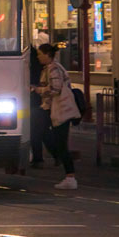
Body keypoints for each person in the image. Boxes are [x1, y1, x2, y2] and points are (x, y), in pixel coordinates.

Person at [31, 43, 80, 190]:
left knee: (61, 143)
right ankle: (68, 174)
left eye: (40, 54)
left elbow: (55, 89)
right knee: (43, 131)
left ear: (47, 55)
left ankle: (70, 177)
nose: (38, 57)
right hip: (53, 109)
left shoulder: (53, 68)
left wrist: (38, 90)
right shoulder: (51, 68)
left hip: (60, 110)